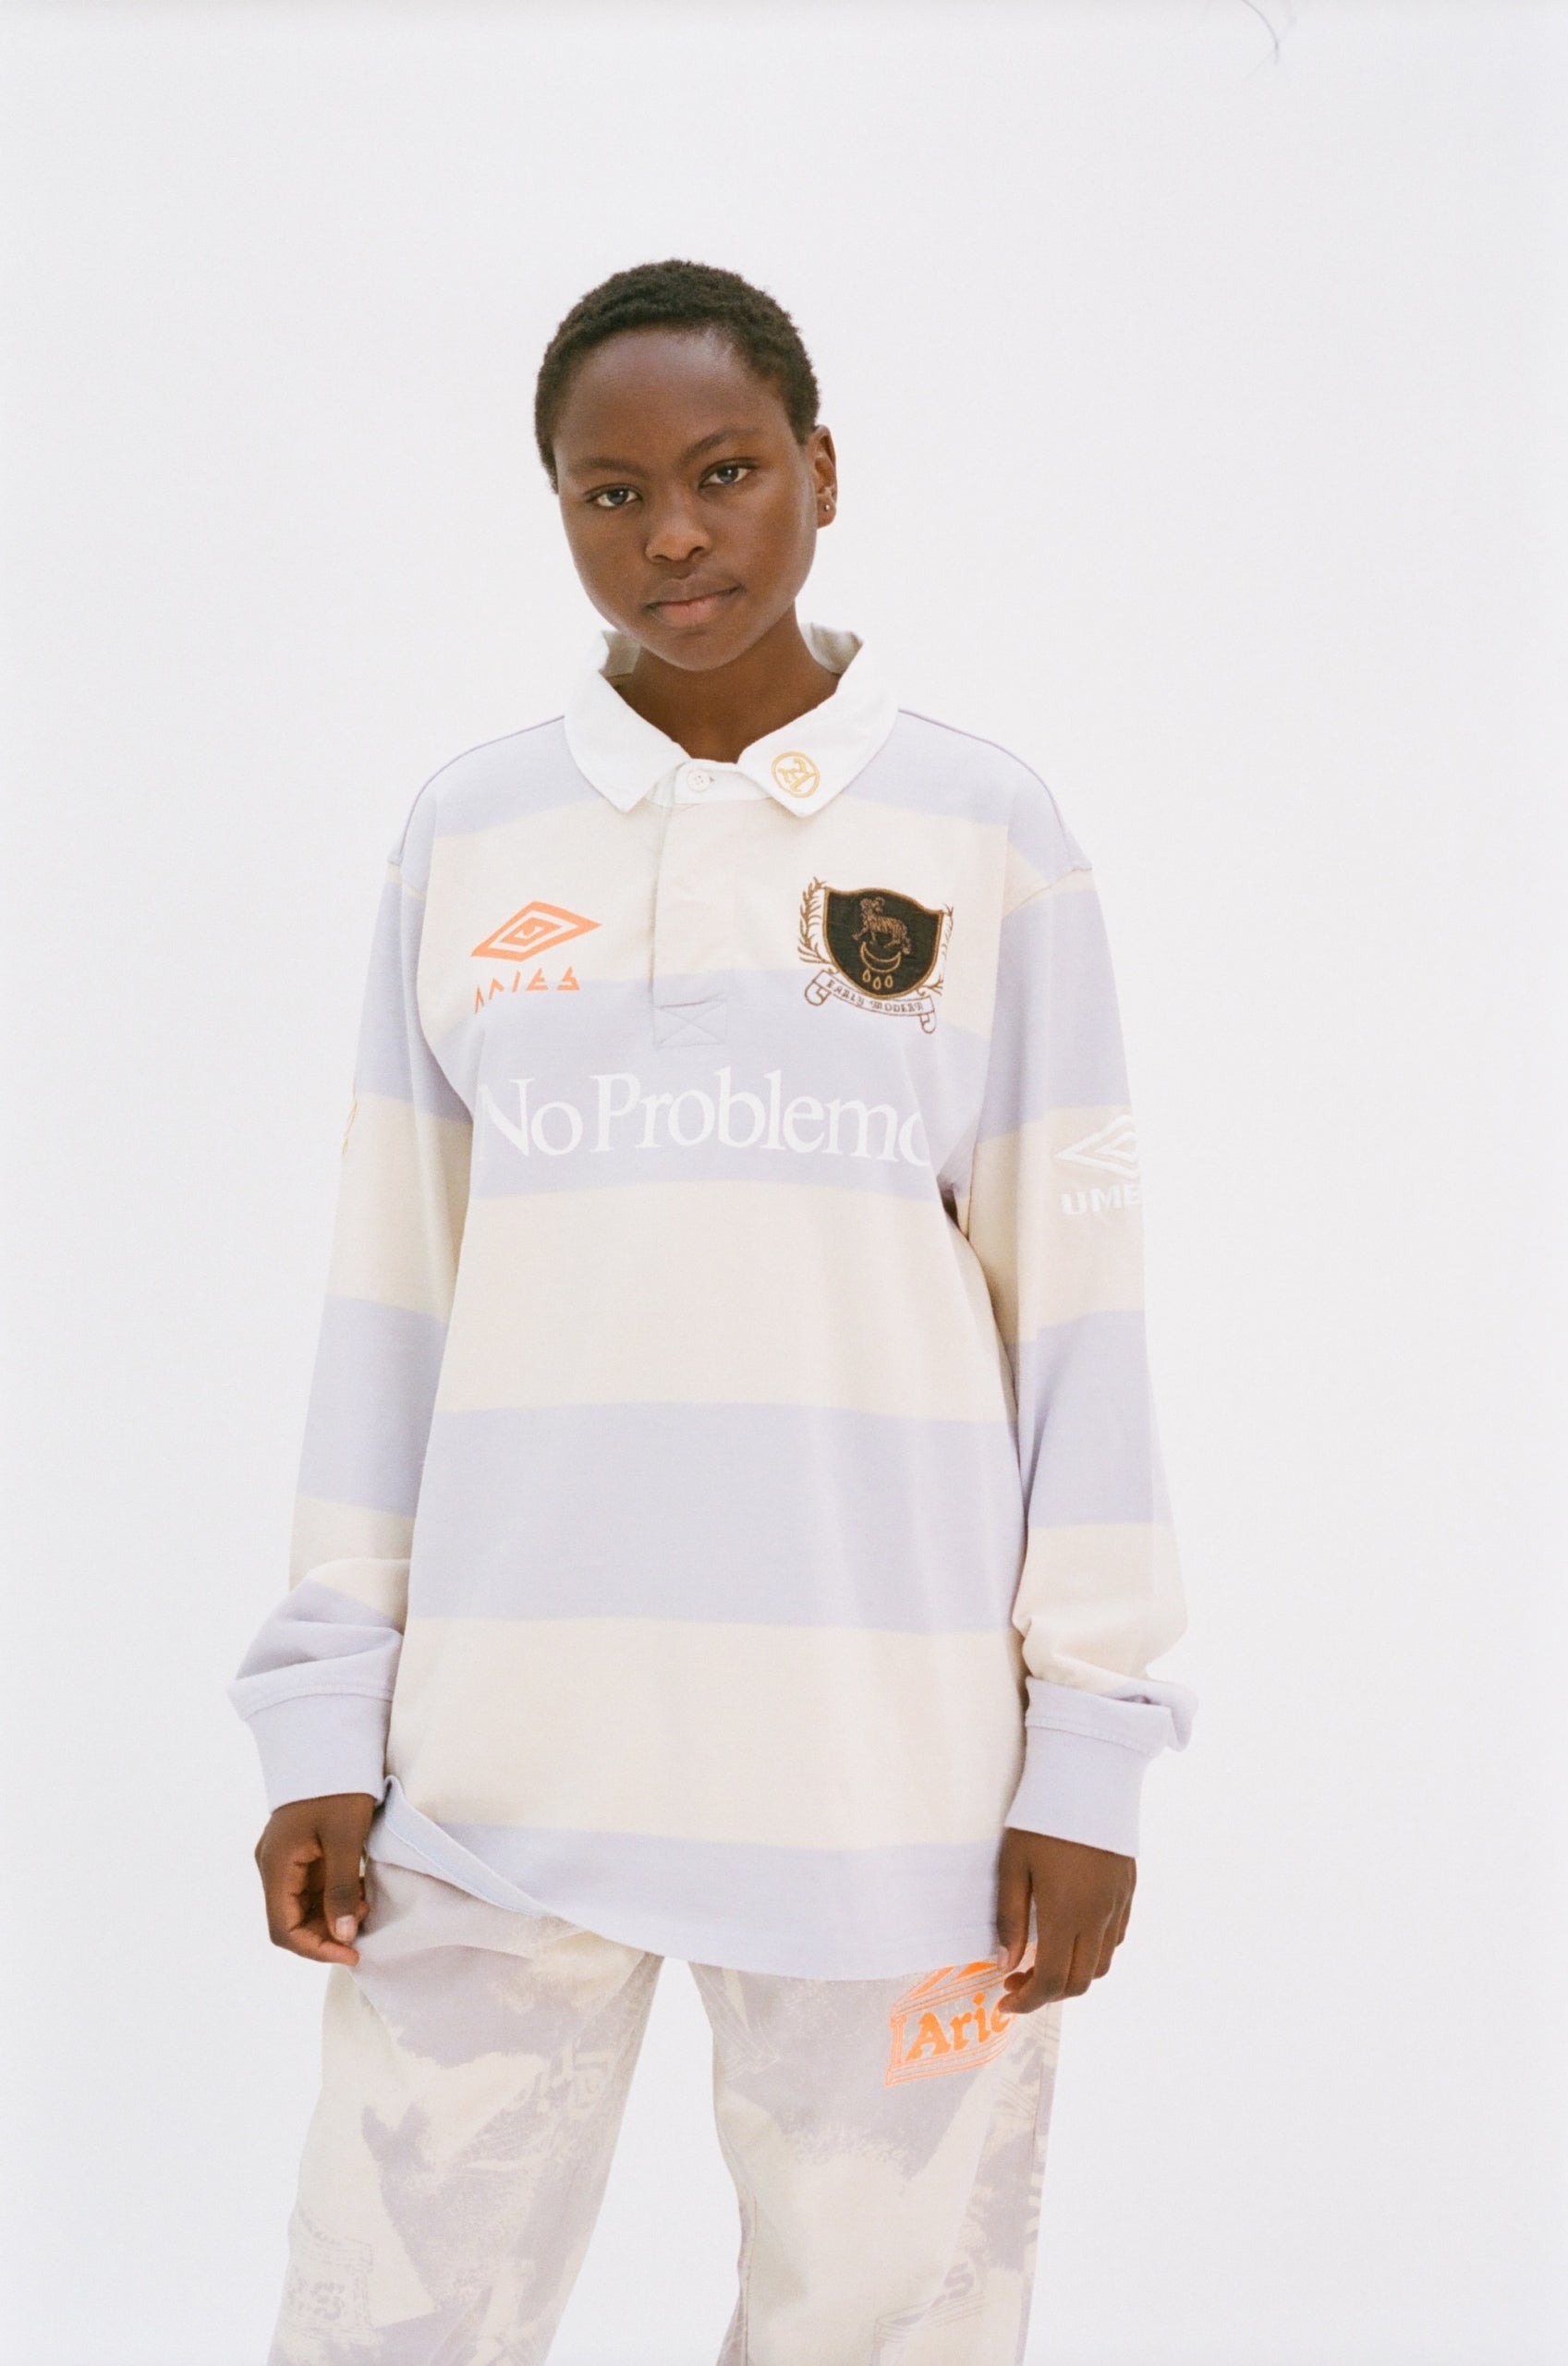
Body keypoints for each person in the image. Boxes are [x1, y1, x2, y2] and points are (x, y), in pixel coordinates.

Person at [228, 257, 1197, 2366]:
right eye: (612, 492)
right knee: (388, 2312)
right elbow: (390, 1293)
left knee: (893, 2323)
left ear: (821, 474)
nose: (673, 533)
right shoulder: (471, 832)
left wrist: (1091, 1745)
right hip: (495, 1755)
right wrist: (323, 1708)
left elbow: (1080, 1300)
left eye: (726, 472)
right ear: (559, 511)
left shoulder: (984, 829)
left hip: (894, 1773)